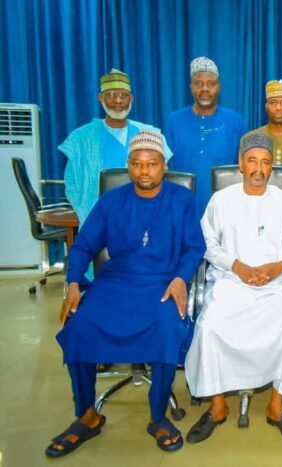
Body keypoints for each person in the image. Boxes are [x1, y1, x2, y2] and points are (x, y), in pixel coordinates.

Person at [46, 131, 206, 457]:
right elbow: (83, 245)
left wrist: (181, 278)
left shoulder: (181, 199)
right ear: (128, 166)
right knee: (80, 327)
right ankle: (87, 415)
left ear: (164, 166)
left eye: (152, 164)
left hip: (163, 282)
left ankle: (158, 416)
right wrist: (74, 282)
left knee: (166, 327)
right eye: (137, 164)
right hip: (116, 282)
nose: (144, 171)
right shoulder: (111, 201)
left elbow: (194, 246)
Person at [185, 133, 282, 443]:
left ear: (271, 167)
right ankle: (217, 406)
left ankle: (277, 406)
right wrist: (237, 266)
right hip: (232, 280)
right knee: (211, 325)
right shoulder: (221, 200)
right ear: (241, 164)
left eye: (265, 162)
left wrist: (279, 266)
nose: (259, 168)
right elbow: (206, 242)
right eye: (252, 161)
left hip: (278, 283)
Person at [60, 69, 172, 224]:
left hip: (144, 216)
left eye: (123, 95)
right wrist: (86, 212)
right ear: (100, 97)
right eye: (111, 95)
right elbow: (72, 183)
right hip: (99, 218)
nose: (118, 100)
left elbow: (164, 176)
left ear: (131, 99)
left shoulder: (149, 135)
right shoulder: (82, 139)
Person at [165, 56, 246, 219]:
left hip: (224, 212)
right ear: (191, 87)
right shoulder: (174, 121)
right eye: (198, 84)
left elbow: (241, 170)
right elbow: (167, 170)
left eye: (211, 84)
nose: (205, 89)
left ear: (218, 87)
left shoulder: (235, 122)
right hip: (182, 211)